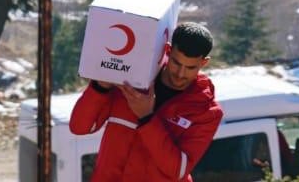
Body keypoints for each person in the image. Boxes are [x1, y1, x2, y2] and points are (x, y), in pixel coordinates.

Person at [69, 21, 225, 182]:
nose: (180, 74)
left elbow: (178, 170)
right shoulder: (132, 80)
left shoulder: (207, 112)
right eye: (176, 63)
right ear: (168, 50)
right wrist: (100, 87)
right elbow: (79, 127)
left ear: (204, 63)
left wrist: (147, 118)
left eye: (191, 68)